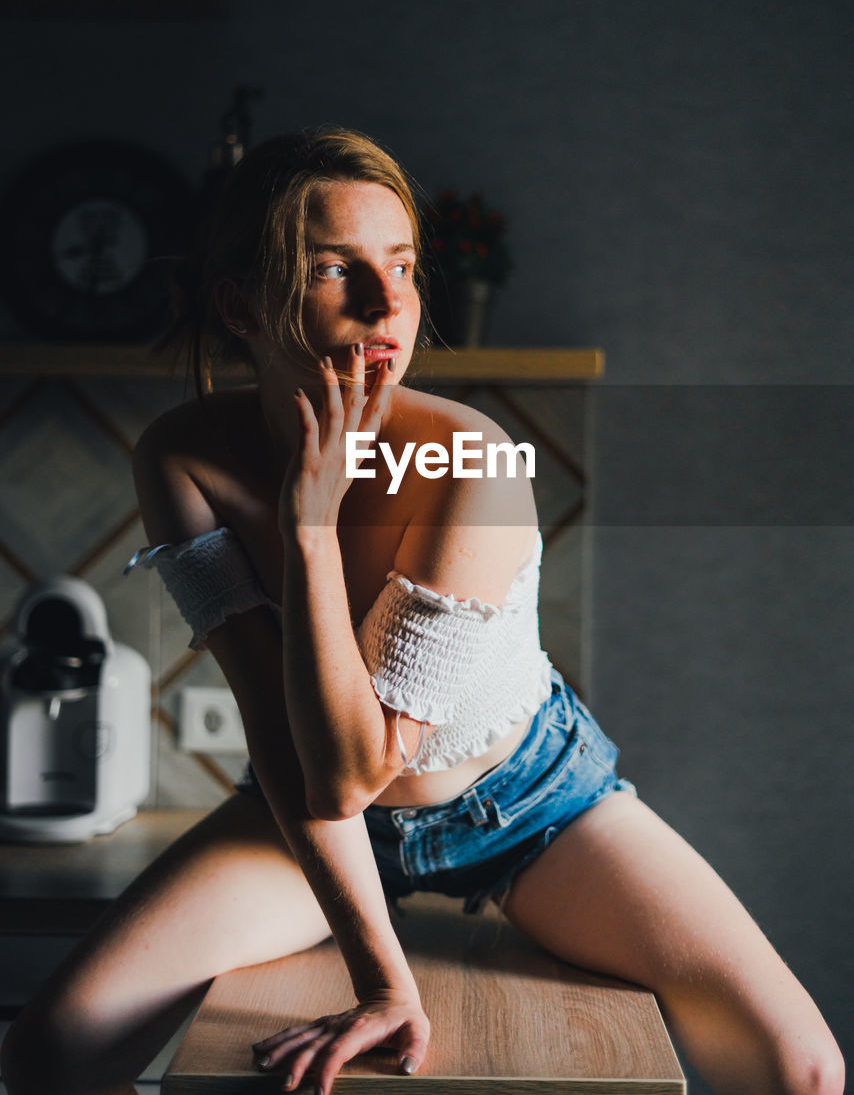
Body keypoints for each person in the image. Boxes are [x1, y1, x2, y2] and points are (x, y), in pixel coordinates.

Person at [1, 128, 843, 1095]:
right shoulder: (182, 457)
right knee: (47, 1052)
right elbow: (297, 755)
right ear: (242, 305)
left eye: (400, 264)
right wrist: (383, 980)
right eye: (334, 268)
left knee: (804, 1070)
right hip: (305, 811)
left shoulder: (470, 461)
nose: (386, 302)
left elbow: (365, 765)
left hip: (531, 804)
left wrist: (309, 534)